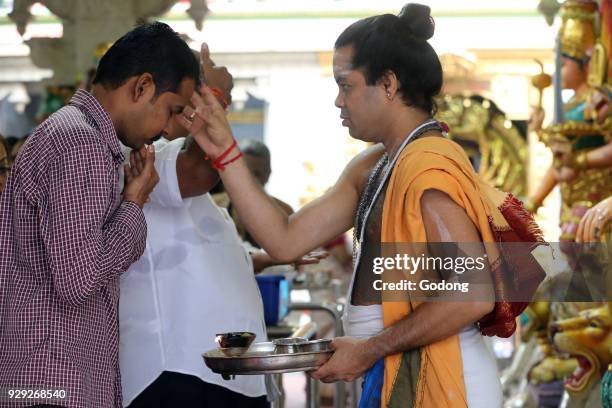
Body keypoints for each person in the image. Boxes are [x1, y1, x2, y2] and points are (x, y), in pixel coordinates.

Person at [178, 4, 547, 407]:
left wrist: (370, 348)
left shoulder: (428, 166)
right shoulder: (374, 165)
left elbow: (471, 296)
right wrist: (225, 153)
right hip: (393, 368)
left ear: (388, 85)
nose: (338, 100)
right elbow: (284, 241)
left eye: (346, 85)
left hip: (447, 380)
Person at [0, 21, 200, 408]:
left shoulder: (73, 134)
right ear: (142, 87)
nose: (166, 131)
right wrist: (134, 201)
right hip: (53, 380)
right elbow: (80, 278)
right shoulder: (81, 144)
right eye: (171, 110)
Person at [120, 43, 320, 408]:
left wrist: (265, 257)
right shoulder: (145, 158)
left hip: (216, 374)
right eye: (185, 99)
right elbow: (199, 170)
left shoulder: (177, 172)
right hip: (178, 372)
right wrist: (215, 93)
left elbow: (201, 256)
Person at [214, 138, 294, 248]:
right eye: (245, 172)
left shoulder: (285, 213)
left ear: (268, 174)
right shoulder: (212, 205)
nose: (249, 181)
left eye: (256, 174)